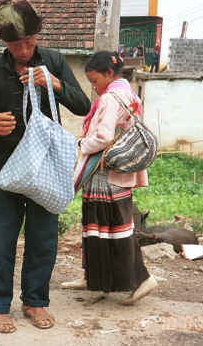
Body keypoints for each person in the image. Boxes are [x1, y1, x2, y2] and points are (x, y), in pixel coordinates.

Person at [0, 0, 91, 333]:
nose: (24, 49)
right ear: (4, 44)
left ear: (38, 36)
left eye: (29, 41)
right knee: (0, 239)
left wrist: (52, 83)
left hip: (47, 168)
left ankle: (35, 301)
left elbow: (82, 105)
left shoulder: (53, 61)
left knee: (43, 239)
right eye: (16, 44)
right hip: (6, 168)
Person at [67, 51, 157, 305]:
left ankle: (141, 279)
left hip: (104, 173)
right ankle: (93, 277)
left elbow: (104, 137)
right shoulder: (127, 92)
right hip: (120, 173)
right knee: (103, 227)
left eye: (95, 81)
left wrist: (82, 144)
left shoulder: (109, 99)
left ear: (108, 73)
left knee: (114, 229)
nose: (93, 88)